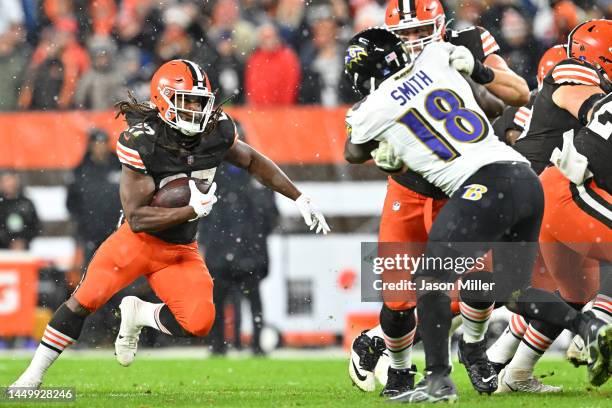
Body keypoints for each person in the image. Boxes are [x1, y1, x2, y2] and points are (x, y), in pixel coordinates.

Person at [10, 59, 330, 390]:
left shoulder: (214, 132)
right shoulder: (143, 141)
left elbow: (251, 160)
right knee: (83, 301)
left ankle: (140, 315)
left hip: (179, 249)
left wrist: (298, 197)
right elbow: (136, 217)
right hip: (138, 242)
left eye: (199, 101)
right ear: (164, 99)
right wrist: (189, 209)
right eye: (186, 100)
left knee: (200, 322)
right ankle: (32, 376)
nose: (195, 109)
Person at [343, 27, 611, 403]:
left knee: (433, 278)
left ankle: (436, 379)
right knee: (506, 289)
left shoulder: (376, 104)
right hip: (524, 179)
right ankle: (587, 326)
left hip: (485, 183)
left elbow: (353, 153)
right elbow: (499, 103)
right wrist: (478, 72)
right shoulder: (438, 58)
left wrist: (386, 145)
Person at [347, 0, 529, 397]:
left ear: (441, 26)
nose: (413, 42)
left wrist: (476, 69)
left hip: (464, 186)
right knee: (398, 299)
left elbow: (520, 93)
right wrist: (387, 155)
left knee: (482, 282)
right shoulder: (383, 59)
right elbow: (359, 140)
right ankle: (397, 370)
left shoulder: (466, 42)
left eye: (420, 31)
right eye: (404, 35)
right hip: (409, 188)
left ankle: (474, 350)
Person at [199, 124, 279, 355]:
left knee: (251, 297)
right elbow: (204, 213)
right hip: (222, 247)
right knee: (220, 299)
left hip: (247, 249)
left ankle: (256, 344)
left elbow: (270, 214)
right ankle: (218, 345)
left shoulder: (257, 170)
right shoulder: (213, 172)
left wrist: (252, 238)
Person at [0, 171, 40, 250]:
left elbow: (36, 227)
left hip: (23, 250)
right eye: (6, 181)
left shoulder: (27, 203)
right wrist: (8, 240)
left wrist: (22, 240)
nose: (9, 184)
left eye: (11, 180)